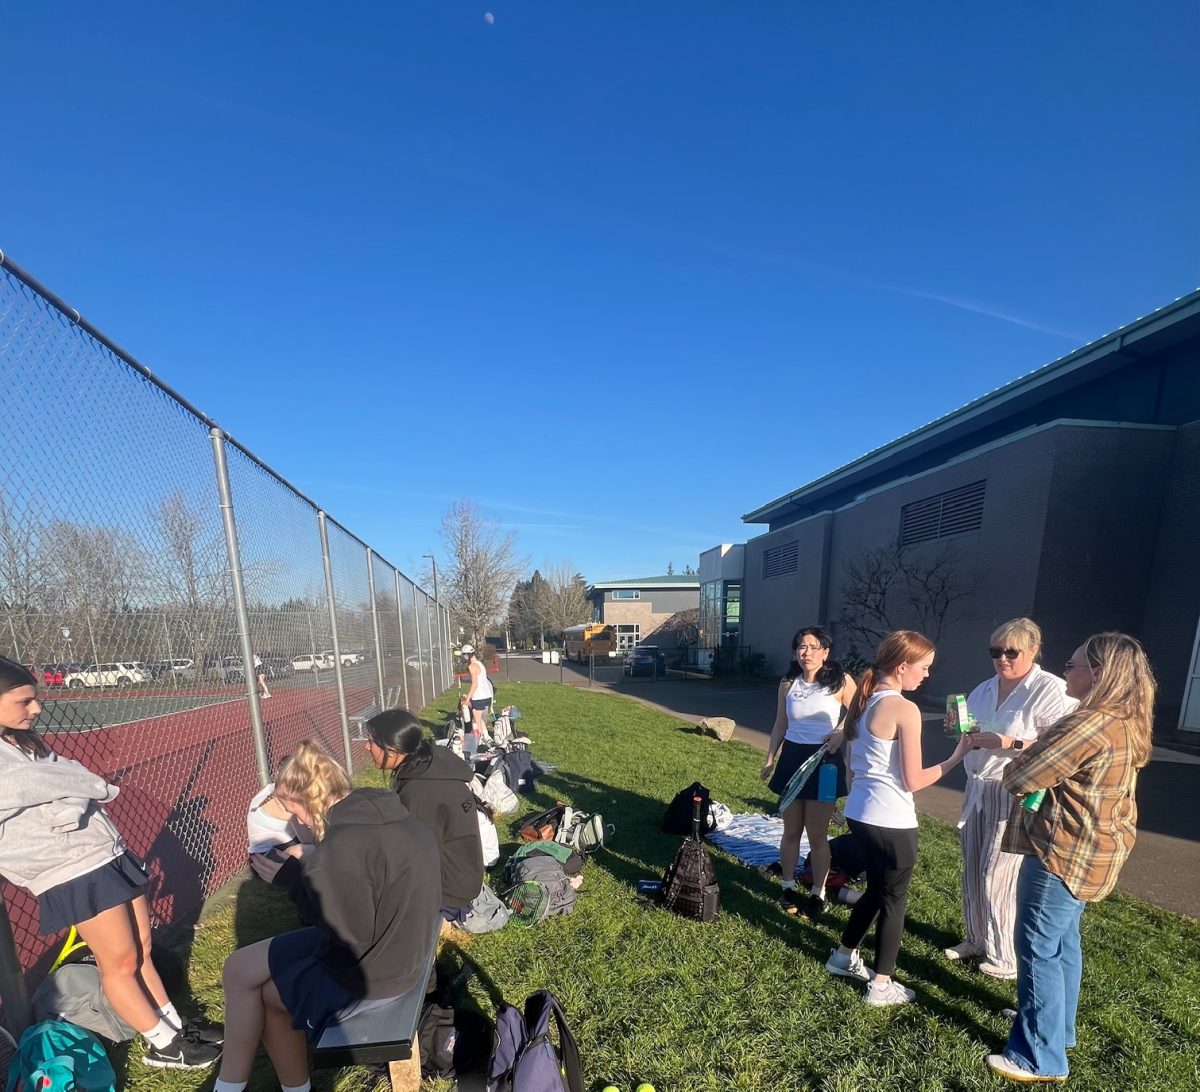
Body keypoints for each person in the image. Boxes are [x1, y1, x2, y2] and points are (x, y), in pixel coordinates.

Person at [0, 657, 222, 1069]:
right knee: (118, 964)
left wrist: (73, 790)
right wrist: (79, 789)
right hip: (73, 872)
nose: (36, 710)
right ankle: (163, 1046)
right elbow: (73, 783)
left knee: (142, 948)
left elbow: (68, 779)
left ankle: (174, 1026)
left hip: (104, 854)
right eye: (24, 702)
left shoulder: (22, 742)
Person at [216, 740, 441, 1092]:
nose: (296, 820)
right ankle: (230, 1084)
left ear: (304, 804)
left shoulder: (339, 849)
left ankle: (264, 1088)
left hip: (377, 973)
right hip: (399, 938)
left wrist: (293, 879)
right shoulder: (381, 811)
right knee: (238, 967)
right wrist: (312, 856)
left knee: (269, 998)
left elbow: (343, 934)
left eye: (293, 811)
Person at [985, 632, 1155, 1084]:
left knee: (1038, 948)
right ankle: (1057, 1029)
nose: (1066, 671)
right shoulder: (1124, 720)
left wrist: (1033, 748)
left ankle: (1039, 1057)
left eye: (1073, 664)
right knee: (1062, 945)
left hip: (1063, 851)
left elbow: (1020, 776)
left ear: (1098, 673)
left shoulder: (1089, 722)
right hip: (1095, 852)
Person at [824, 631, 973, 1006]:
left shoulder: (864, 701)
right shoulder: (904, 708)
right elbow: (914, 779)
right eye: (924, 668)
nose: (926, 676)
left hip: (860, 813)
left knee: (877, 890)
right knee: (894, 899)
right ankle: (881, 985)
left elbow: (852, 765)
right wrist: (957, 756)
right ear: (903, 667)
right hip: (891, 820)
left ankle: (843, 956)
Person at [944, 618, 1077, 979]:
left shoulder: (1051, 689)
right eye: (995, 652)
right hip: (977, 785)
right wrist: (960, 731)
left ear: (1033, 651)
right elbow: (970, 733)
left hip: (1015, 791)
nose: (1003, 659)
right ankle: (975, 939)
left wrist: (1009, 743)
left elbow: (1059, 747)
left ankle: (1005, 956)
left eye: (1011, 652)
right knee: (972, 867)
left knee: (996, 874)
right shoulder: (984, 689)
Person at [760, 626, 856, 916]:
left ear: (825, 652)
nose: (807, 653)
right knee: (791, 830)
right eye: (802, 647)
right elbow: (780, 724)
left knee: (817, 834)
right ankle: (787, 886)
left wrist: (840, 732)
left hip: (824, 763)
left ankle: (818, 891)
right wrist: (770, 758)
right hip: (792, 760)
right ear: (795, 652)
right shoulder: (788, 683)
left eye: (814, 647)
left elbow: (858, 713)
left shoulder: (840, 681)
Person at [365, 708, 485, 912]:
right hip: (464, 874)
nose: (367, 747)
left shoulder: (419, 790)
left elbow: (415, 858)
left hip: (450, 892)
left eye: (371, 741)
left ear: (392, 751)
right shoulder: (430, 764)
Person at [246, 765, 318, 925]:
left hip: (274, 847)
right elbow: (309, 837)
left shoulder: (274, 789)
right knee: (313, 849)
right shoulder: (287, 803)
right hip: (268, 859)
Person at [462, 644, 493, 751]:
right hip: (486, 695)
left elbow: (474, 684)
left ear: (467, 655)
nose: (463, 657)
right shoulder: (480, 663)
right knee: (478, 718)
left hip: (479, 696)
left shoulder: (472, 667)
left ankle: (481, 740)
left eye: (464, 655)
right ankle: (487, 736)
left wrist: (467, 699)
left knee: (476, 719)